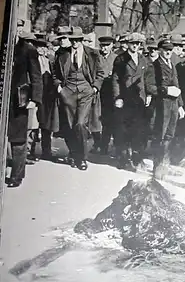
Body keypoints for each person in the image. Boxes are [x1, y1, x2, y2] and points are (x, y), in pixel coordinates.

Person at [53, 26, 104, 171]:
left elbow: (101, 73)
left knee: (80, 124)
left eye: (78, 40)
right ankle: (74, 154)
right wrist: (59, 88)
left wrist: (94, 87)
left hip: (86, 92)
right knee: (69, 126)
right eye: (73, 40)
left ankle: (81, 158)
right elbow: (55, 74)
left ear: (82, 40)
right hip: (67, 92)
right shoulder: (61, 54)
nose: (75, 43)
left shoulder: (92, 54)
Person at [7, 31, 43, 187]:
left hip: (18, 100)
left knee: (18, 138)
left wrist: (35, 99)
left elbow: (36, 75)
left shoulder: (27, 49)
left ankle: (17, 175)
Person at [147, 40, 184, 180]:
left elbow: (177, 85)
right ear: (159, 50)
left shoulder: (172, 65)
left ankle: (165, 165)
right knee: (159, 136)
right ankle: (158, 168)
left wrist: (180, 105)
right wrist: (166, 90)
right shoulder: (154, 66)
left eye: (170, 49)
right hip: (161, 105)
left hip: (173, 105)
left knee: (169, 135)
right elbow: (149, 86)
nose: (168, 52)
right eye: (165, 49)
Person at [111, 32, 148, 171]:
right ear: (128, 44)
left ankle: (137, 159)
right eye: (133, 43)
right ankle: (123, 158)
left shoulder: (143, 59)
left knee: (138, 129)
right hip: (125, 99)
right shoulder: (121, 59)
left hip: (139, 99)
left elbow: (145, 79)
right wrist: (117, 97)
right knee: (124, 129)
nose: (136, 46)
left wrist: (147, 96)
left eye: (138, 44)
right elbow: (115, 80)